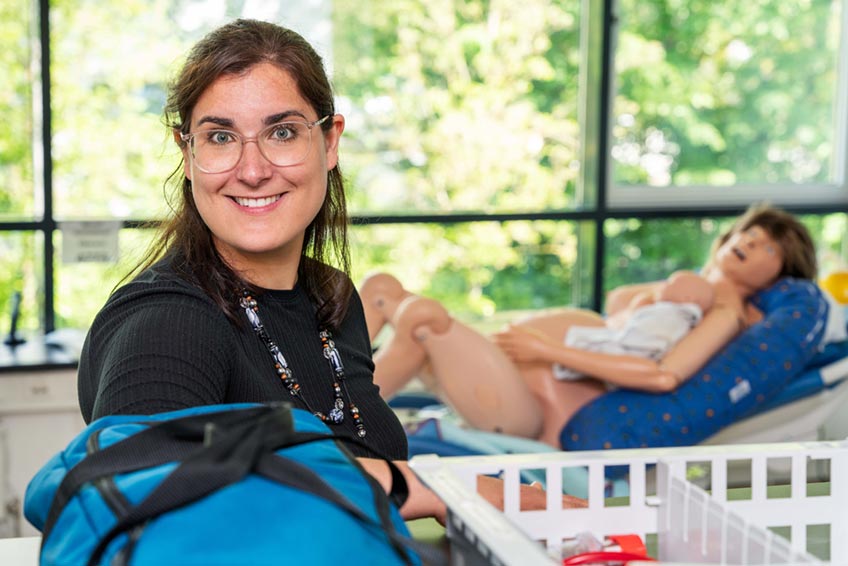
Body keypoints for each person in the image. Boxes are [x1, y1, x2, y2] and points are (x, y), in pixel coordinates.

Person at [76, 19, 582, 525]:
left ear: (330, 141)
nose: (252, 170)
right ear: (187, 154)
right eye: (221, 137)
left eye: (282, 132)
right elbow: (134, 487)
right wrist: (439, 489)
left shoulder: (329, 295)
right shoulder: (169, 318)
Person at [362, 204, 818, 448]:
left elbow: (663, 376)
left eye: (770, 249)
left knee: (422, 318)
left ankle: (332, 415)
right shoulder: (682, 294)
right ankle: (318, 400)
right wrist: (677, 288)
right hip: (502, 375)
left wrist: (548, 351)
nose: (751, 242)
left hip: (532, 408)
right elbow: (617, 309)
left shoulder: (722, 317)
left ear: (780, 276)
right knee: (381, 287)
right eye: (749, 233)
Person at [552, 269, 714, 381]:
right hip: (625, 345)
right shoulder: (665, 310)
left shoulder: (673, 316)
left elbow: (646, 339)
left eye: (671, 283)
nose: (663, 285)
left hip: (630, 354)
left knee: (584, 345)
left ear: (688, 298)